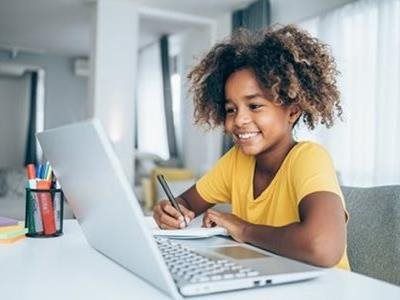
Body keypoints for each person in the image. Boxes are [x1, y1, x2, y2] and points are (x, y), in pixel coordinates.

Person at [153, 24, 350, 270]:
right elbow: (186, 204)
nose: (239, 120)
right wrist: (169, 210)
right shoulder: (236, 161)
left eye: (255, 106)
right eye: (231, 109)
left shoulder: (309, 158)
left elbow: (322, 246)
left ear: (293, 111)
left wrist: (243, 228)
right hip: (269, 280)